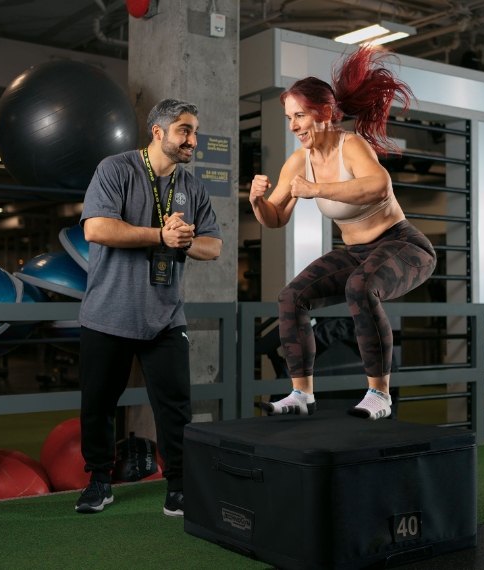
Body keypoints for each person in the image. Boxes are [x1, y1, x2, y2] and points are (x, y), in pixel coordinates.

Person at [250, 47, 436, 420]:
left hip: (403, 245)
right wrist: (257, 202)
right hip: (355, 252)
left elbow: (379, 187)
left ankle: (379, 395)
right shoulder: (297, 162)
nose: (294, 126)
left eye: (299, 116)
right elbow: (276, 218)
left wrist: (316, 190)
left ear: (323, 113)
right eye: (289, 118)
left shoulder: (351, 146)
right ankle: (302, 393)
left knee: (360, 287)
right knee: (291, 297)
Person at [75, 99, 223, 515]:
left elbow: (213, 245)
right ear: (157, 132)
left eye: (194, 131)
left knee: (176, 406)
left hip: (165, 316)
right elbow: (96, 227)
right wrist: (161, 235)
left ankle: (178, 486)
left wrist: (185, 240)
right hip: (108, 313)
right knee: (99, 403)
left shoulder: (192, 187)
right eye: (184, 130)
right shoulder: (116, 169)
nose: (193, 139)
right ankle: (99, 481)